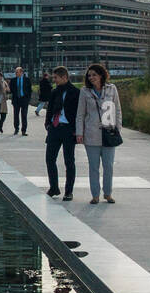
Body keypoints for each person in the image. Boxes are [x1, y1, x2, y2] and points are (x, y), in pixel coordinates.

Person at [75, 62, 123, 204]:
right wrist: (79, 133)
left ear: (101, 75)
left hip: (109, 133)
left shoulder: (112, 89)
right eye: (89, 76)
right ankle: (95, 195)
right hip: (91, 134)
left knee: (108, 166)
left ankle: (107, 193)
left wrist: (117, 128)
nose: (91, 78)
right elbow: (80, 114)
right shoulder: (85, 91)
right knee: (93, 166)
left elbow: (118, 109)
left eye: (94, 75)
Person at [44, 66, 79, 199]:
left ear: (64, 77)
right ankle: (54, 188)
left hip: (68, 129)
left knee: (69, 161)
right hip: (54, 128)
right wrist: (48, 123)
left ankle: (68, 191)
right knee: (50, 159)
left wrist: (77, 129)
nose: (55, 80)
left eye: (56, 78)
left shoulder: (75, 92)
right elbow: (50, 109)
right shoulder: (54, 92)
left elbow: (79, 113)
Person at [8, 65, 32, 135]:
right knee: (16, 115)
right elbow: (11, 90)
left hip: (24, 99)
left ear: (21, 72)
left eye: (17, 72)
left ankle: (24, 130)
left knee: (24, 115)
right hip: (16, 100)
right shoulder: (13, 80)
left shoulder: (27, 80)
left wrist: (28, 99)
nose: (16, 73)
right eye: (15, 72)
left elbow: (29, 90)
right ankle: (16, 129)